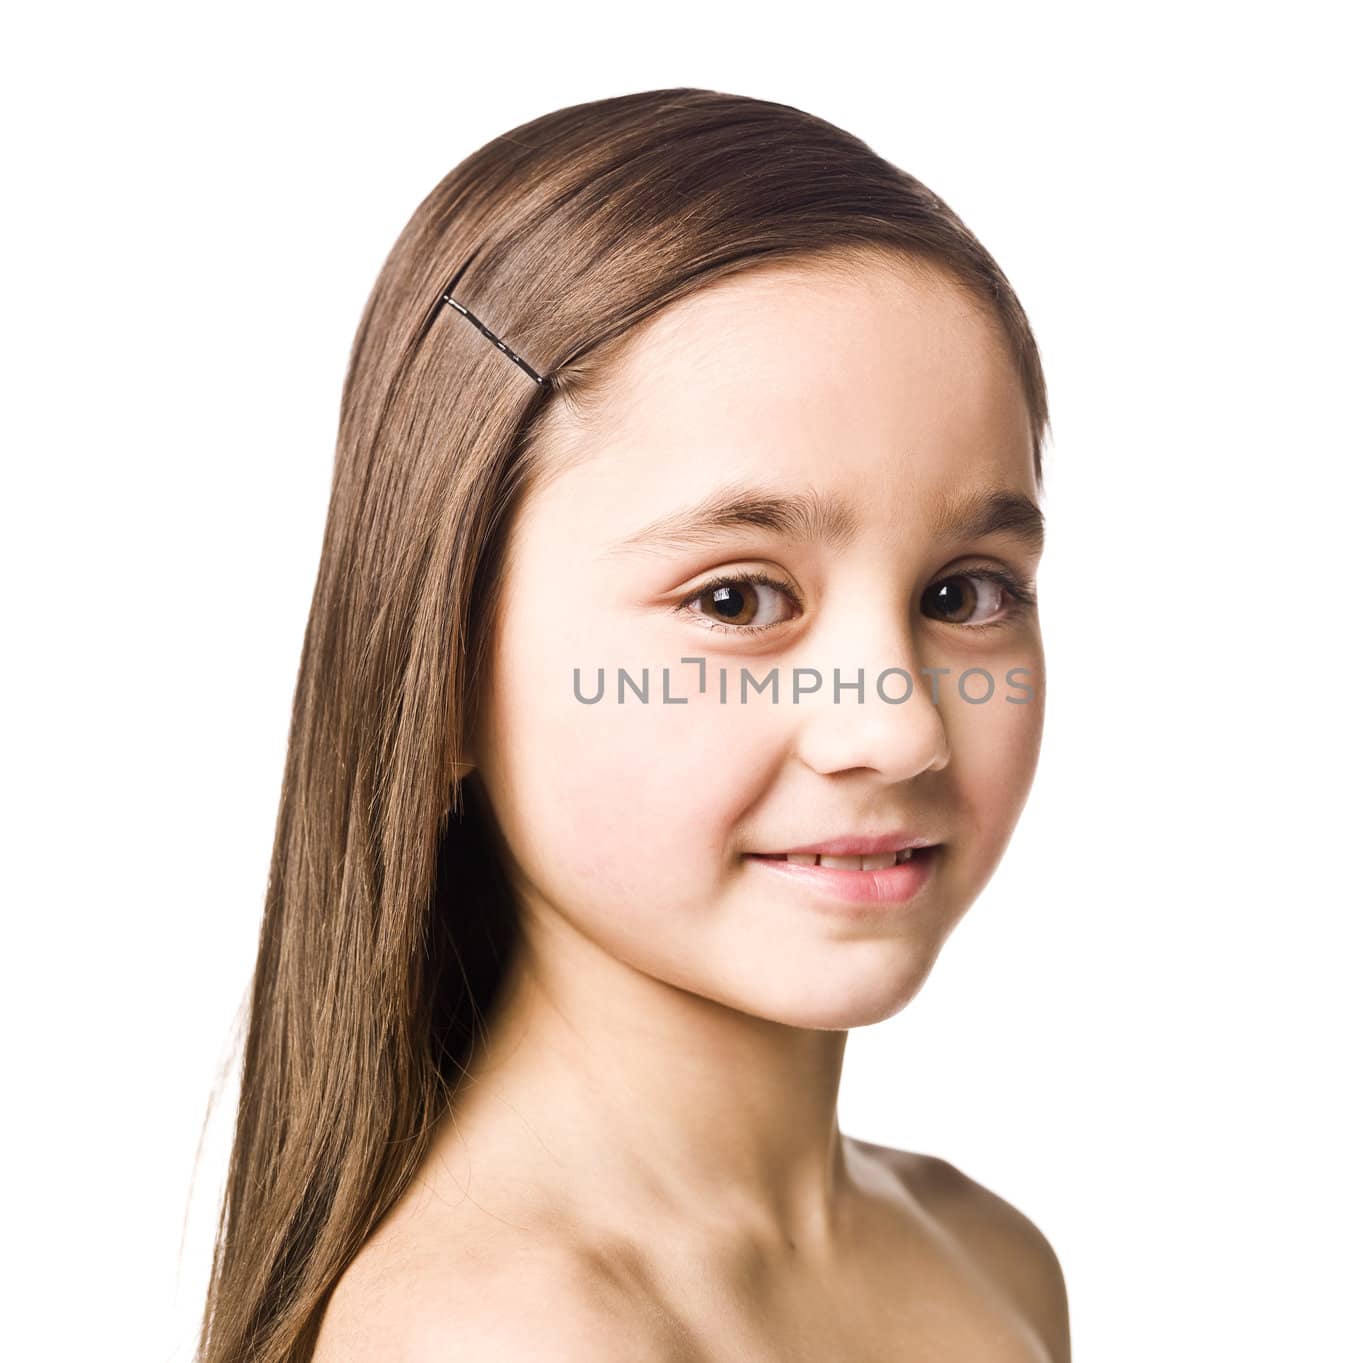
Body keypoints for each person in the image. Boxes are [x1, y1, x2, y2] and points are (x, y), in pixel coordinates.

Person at [197, 86, 1069, 1363]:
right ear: (440, 671)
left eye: (963, 592)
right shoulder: (500, 1339)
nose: (898, 728)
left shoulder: (988, 1257)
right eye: (735, 598)